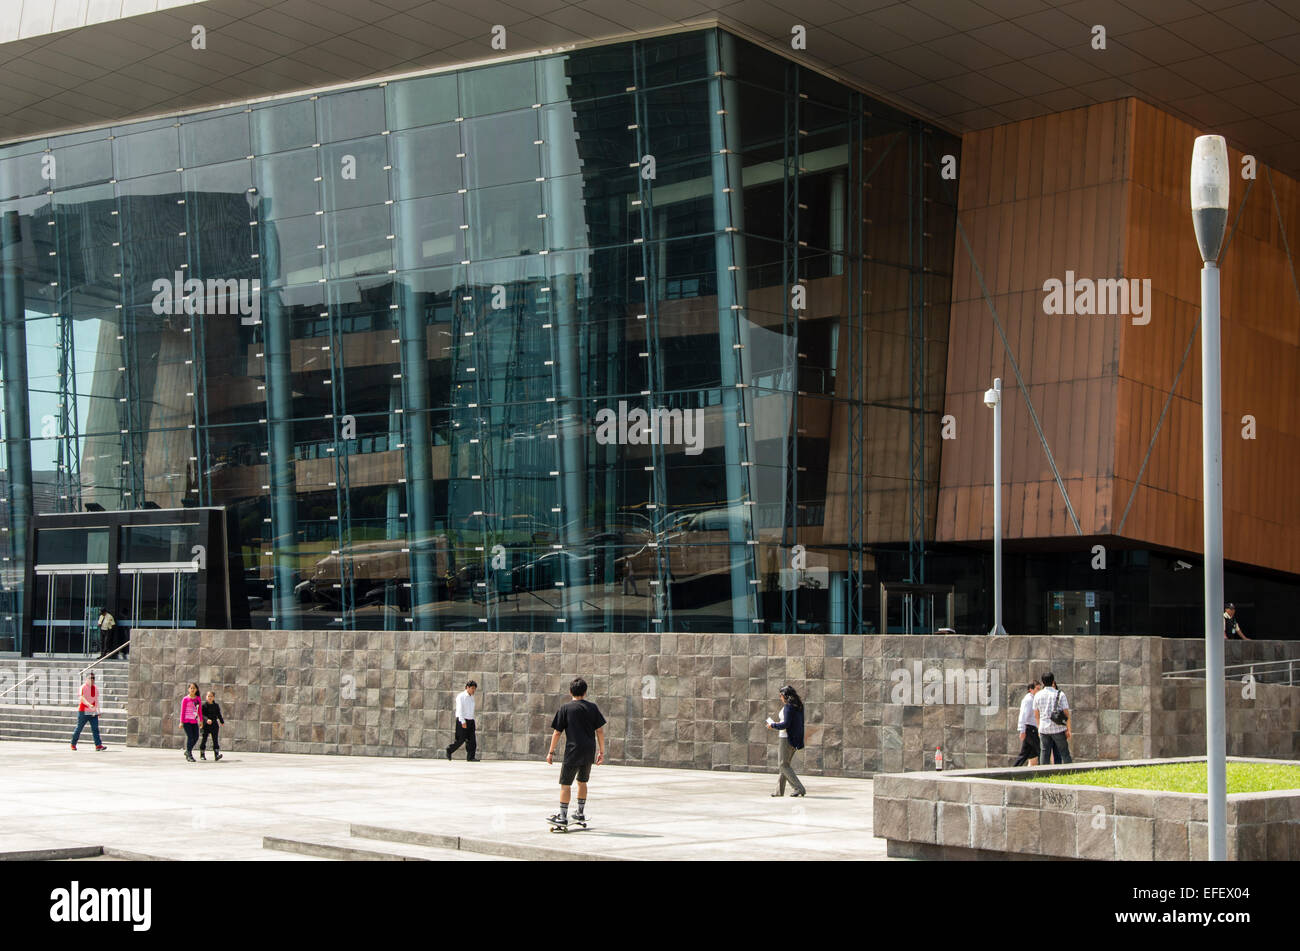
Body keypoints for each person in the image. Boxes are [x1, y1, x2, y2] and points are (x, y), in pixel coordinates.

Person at [545, 677, 606, 827]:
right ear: (585, 692)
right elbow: (600, 731)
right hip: (589, 751)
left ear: (570, 691)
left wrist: (551, 752)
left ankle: (563, 816)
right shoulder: (592, 708)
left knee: (566, 784)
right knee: (582, 782)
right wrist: (601, 751)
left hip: (573, 751)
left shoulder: (565, 708)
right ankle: (580, 812)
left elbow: (557, 732)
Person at [766, 685, 807, 797]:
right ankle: (779, 791)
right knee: (785, 765)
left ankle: (799, 788)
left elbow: (785, 724)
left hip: (786, 739)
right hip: (794, 739)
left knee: (783, 765)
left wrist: (773, 725)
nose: (780, 698)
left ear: (785, 696)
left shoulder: (789, 707)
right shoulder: (798, 706)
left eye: (780, 695)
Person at [1033, 671, 1071, 764]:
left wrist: (1038, 728)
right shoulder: (1060, 694)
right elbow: (1066, 714)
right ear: (1053, 681)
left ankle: (1043, 774)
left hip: (1044, 729)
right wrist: (1068, 729)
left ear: (1042, 682)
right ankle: (1070, 772)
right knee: (1064, 753)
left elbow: (1036, 714)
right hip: (1058, 729)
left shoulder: (1038, 695)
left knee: (1044, 754)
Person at [70, 672, 107, 752]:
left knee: (95, 729)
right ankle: (73, 743)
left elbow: (96, 700)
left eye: (94, 678)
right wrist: (89, 704)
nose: (92, 680)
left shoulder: (95, 688)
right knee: (79, 728)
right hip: (83, 711)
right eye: (91, 678)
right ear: (86, 679)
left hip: (93, 712)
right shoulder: (83, 687)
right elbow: (81, 698)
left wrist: (98, 710)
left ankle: (98, 745)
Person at [445, 679, 479, 761]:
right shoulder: (461, 696)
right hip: (462, 720)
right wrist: (463, 721)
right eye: (472, 688)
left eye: (475, 689)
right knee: (460, 740)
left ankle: (471, 757)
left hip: (471, 721)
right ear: (467, 687)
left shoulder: (472, 698)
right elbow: (459, 709)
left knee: (472, 740)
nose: (473, 690)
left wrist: (472, 720)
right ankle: (449, 750)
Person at [1013, 680, 1041, 766]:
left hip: (1031, 729)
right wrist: (1022, 730)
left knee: (1026, 754)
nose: (1039, 691)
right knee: (1041, 751)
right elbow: (1023, 715)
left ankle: (1015, 769)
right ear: (1031, 689)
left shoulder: (1034, 699)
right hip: (1030, 729)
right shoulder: (1028, 700)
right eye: (1037, 689)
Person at [179, 682, 203, 762]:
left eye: (194, 688)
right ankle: (189, 754)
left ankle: (187, 751)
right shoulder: (185, 699)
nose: (192, 689)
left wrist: (201, 720)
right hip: (186, 721)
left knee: (196, 737)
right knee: (190, 737)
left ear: (196, 690)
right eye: (191, 688)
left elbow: (199, 710)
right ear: (189, 689)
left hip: (194, 721)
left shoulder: (198, 699)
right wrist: (181, 722)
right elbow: (182, 711)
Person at [199, 690, 225, 761]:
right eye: (208, 696)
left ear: (213, 697)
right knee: (204, 739)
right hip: (206, 725)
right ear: (206, 697)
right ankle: (202, 754)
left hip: (214, 725)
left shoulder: (216, 706)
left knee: (215, 740)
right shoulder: (204, 706)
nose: (210, 697)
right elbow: (202, 715)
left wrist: (222, 721)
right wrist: (206, 720)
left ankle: (216, 755)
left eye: (211, 696)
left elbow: (218, 714)